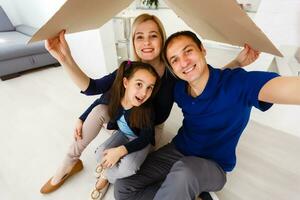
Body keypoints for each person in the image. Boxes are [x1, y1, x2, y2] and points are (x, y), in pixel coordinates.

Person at [40, 13, 259, 195]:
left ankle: (108, 174)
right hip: (125, 122)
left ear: (162, 40)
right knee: (98, 110)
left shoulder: (175, 71)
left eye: (153, 36)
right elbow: (97, 89)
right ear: (133, 42)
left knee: (128, 169)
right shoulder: (128, 67)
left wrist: (238, 61)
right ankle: (69, 163)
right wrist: (64, 58)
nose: (146, 42)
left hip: (148, 129)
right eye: (139, 37)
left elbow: (207, 80)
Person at [113, 30, 300, 200]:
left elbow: (283, 88)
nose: (184, 62)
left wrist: (238, 65)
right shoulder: (179, 89)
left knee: (183, 173)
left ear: (202, 50)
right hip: (178, 150)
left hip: (212, 165)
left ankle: (182, 190)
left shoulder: (240, 83)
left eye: (188, 51)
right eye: (175, 59)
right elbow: (205, 84)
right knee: (123, 187)